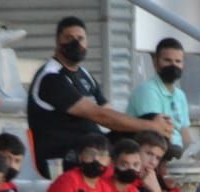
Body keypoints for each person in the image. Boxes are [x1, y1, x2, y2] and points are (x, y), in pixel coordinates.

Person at [27, 17, 171, 178]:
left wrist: (154, 123)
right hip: (65, 154)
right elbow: (101, 116)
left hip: (95, 143)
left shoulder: (84, 75)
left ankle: (163, 165)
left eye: (80, 38)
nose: (75, 43)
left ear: (87, 42)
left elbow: (109, 112)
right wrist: (150, 126)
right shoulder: (51, 77)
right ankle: (142, 174)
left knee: (150, 119)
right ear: (57, 41)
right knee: (146, 126)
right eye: (68, 38)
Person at [126, 38, 190, 148]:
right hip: (158, 156)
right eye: (167, 60)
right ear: (155, 62)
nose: (173, 65)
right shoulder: (147, 91)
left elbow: (186, 136)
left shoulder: (180, 95)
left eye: (178, 61)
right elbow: (155, 137)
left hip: (178, 156)